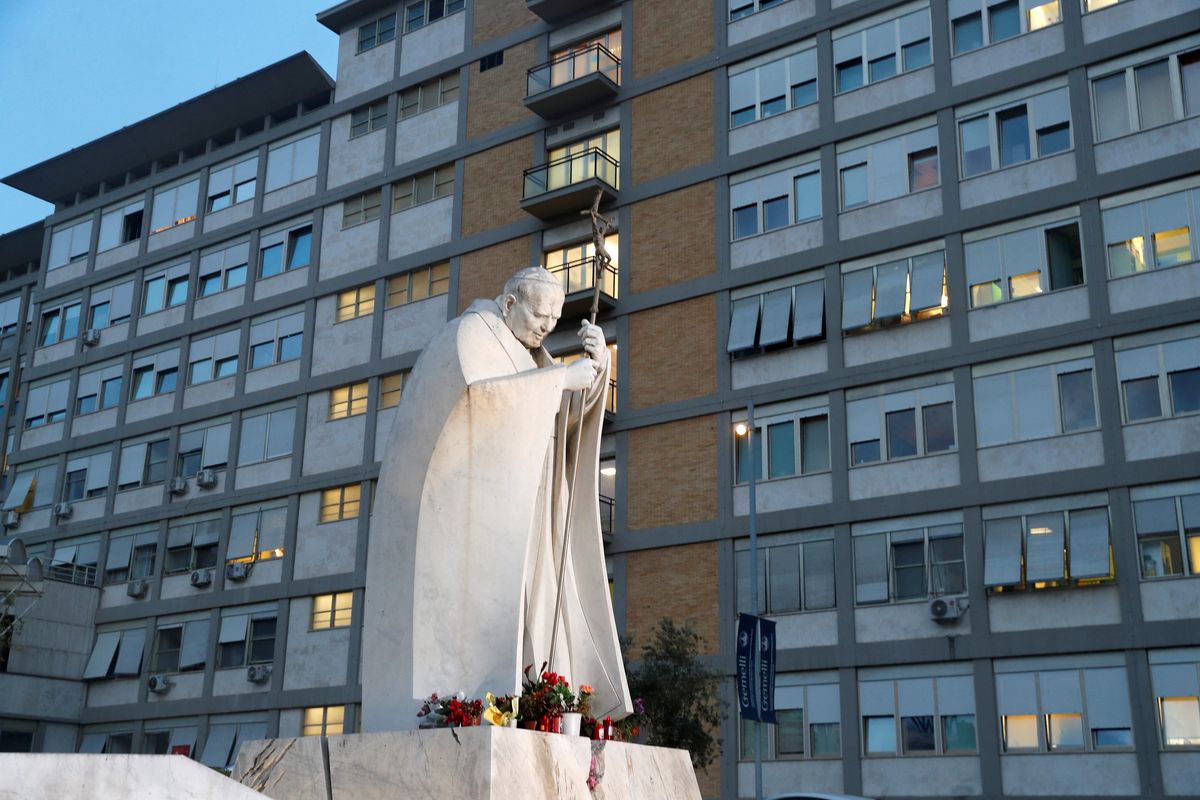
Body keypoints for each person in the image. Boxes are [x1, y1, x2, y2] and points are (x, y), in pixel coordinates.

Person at [361, 267, 632, 731]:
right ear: (509, 304)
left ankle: (545, 706)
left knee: (540, 611)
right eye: (539, 315)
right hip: (480, 521)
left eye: (554, 318)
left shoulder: (527, 356)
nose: (547, 326)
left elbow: (558, 427)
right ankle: (492, 706)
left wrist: (594, 370)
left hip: (530, 510)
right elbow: (477, 403)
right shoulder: (470, 335)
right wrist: (560, 380)